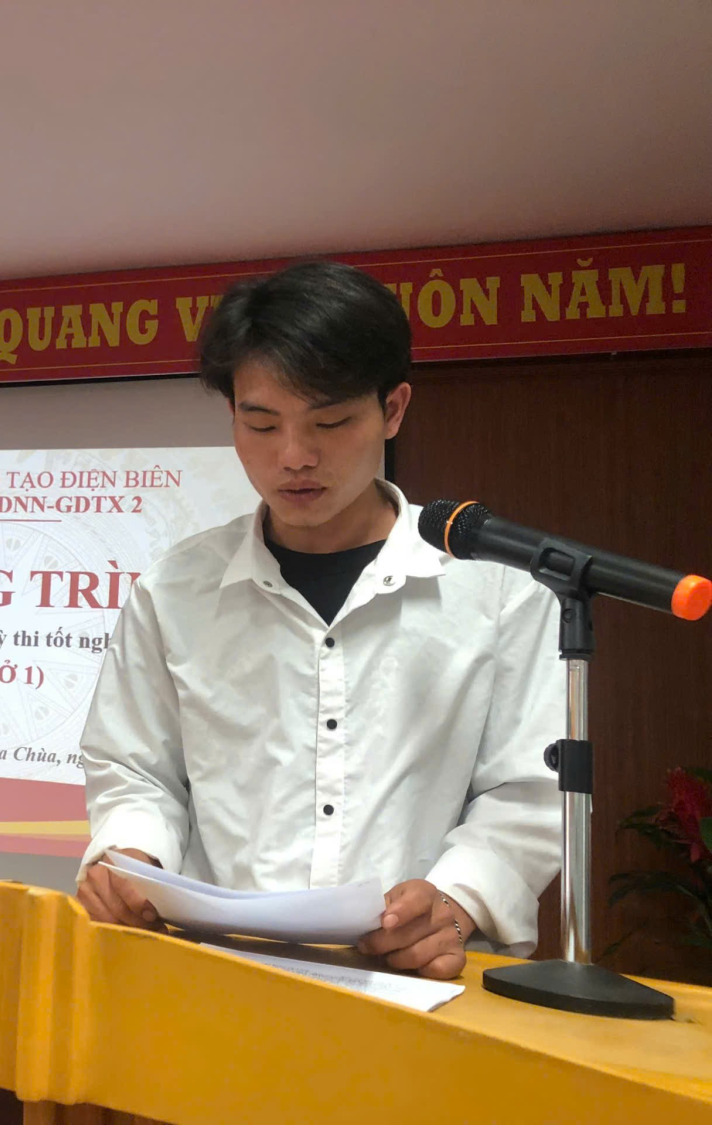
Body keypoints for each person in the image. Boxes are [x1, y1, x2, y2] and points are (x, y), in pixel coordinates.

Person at [75, 260, 563, 980]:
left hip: (411, 986)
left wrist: (456, 901)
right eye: (261, 423)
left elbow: (527, 790)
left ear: (393, 409)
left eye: (329, 422)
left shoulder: (496, 590)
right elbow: (135, 769)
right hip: (216, 979)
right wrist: (131, 857)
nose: (294, 457)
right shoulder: (174, 592)